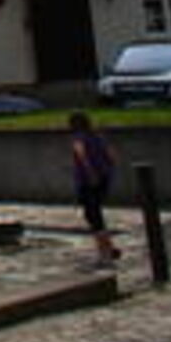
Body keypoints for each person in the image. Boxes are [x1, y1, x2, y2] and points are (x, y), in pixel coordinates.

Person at [70, 111, 120, 263]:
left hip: (88, 180)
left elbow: (82, 155)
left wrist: (91, 173)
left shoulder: (78, 138)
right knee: (96, 213)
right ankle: (109, 247)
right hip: (104, 177)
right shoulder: (97, 136)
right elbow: (112, 155)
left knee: (92, 215)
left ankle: (105, 252)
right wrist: (107, 171)